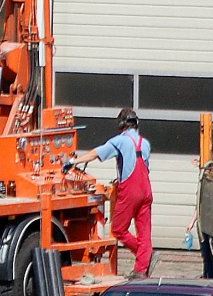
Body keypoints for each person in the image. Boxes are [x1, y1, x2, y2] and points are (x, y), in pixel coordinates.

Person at [64, 107, 154, 278]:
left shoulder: (120, 141)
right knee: (144, 233)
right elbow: (141, 166)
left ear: (121, 126)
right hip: (147, 191)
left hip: (131, 191)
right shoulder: (145, 143)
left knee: (119, 229)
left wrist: (74, 161)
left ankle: (146, 256)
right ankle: (142, 268)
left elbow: (96, 154)